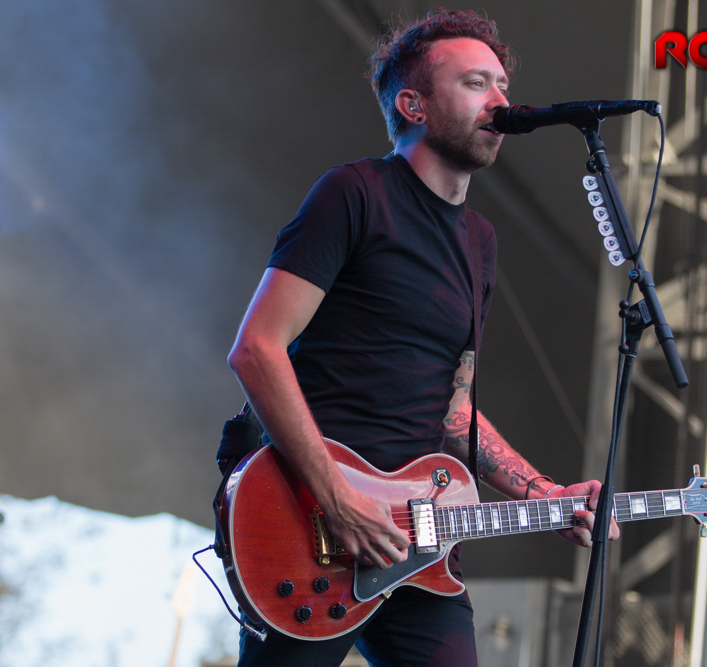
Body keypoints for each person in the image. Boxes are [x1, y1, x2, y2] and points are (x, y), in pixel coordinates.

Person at [227, 9, 619, 666]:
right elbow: (257, 348)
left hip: (422, 535)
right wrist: (338, 499)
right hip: (310, 523)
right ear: (414, 105)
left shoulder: (478, 242)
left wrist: (545, 493)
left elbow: (453, 408)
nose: (501, 102)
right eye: (475, 84)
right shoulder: (354, 194)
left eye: (501, 84)